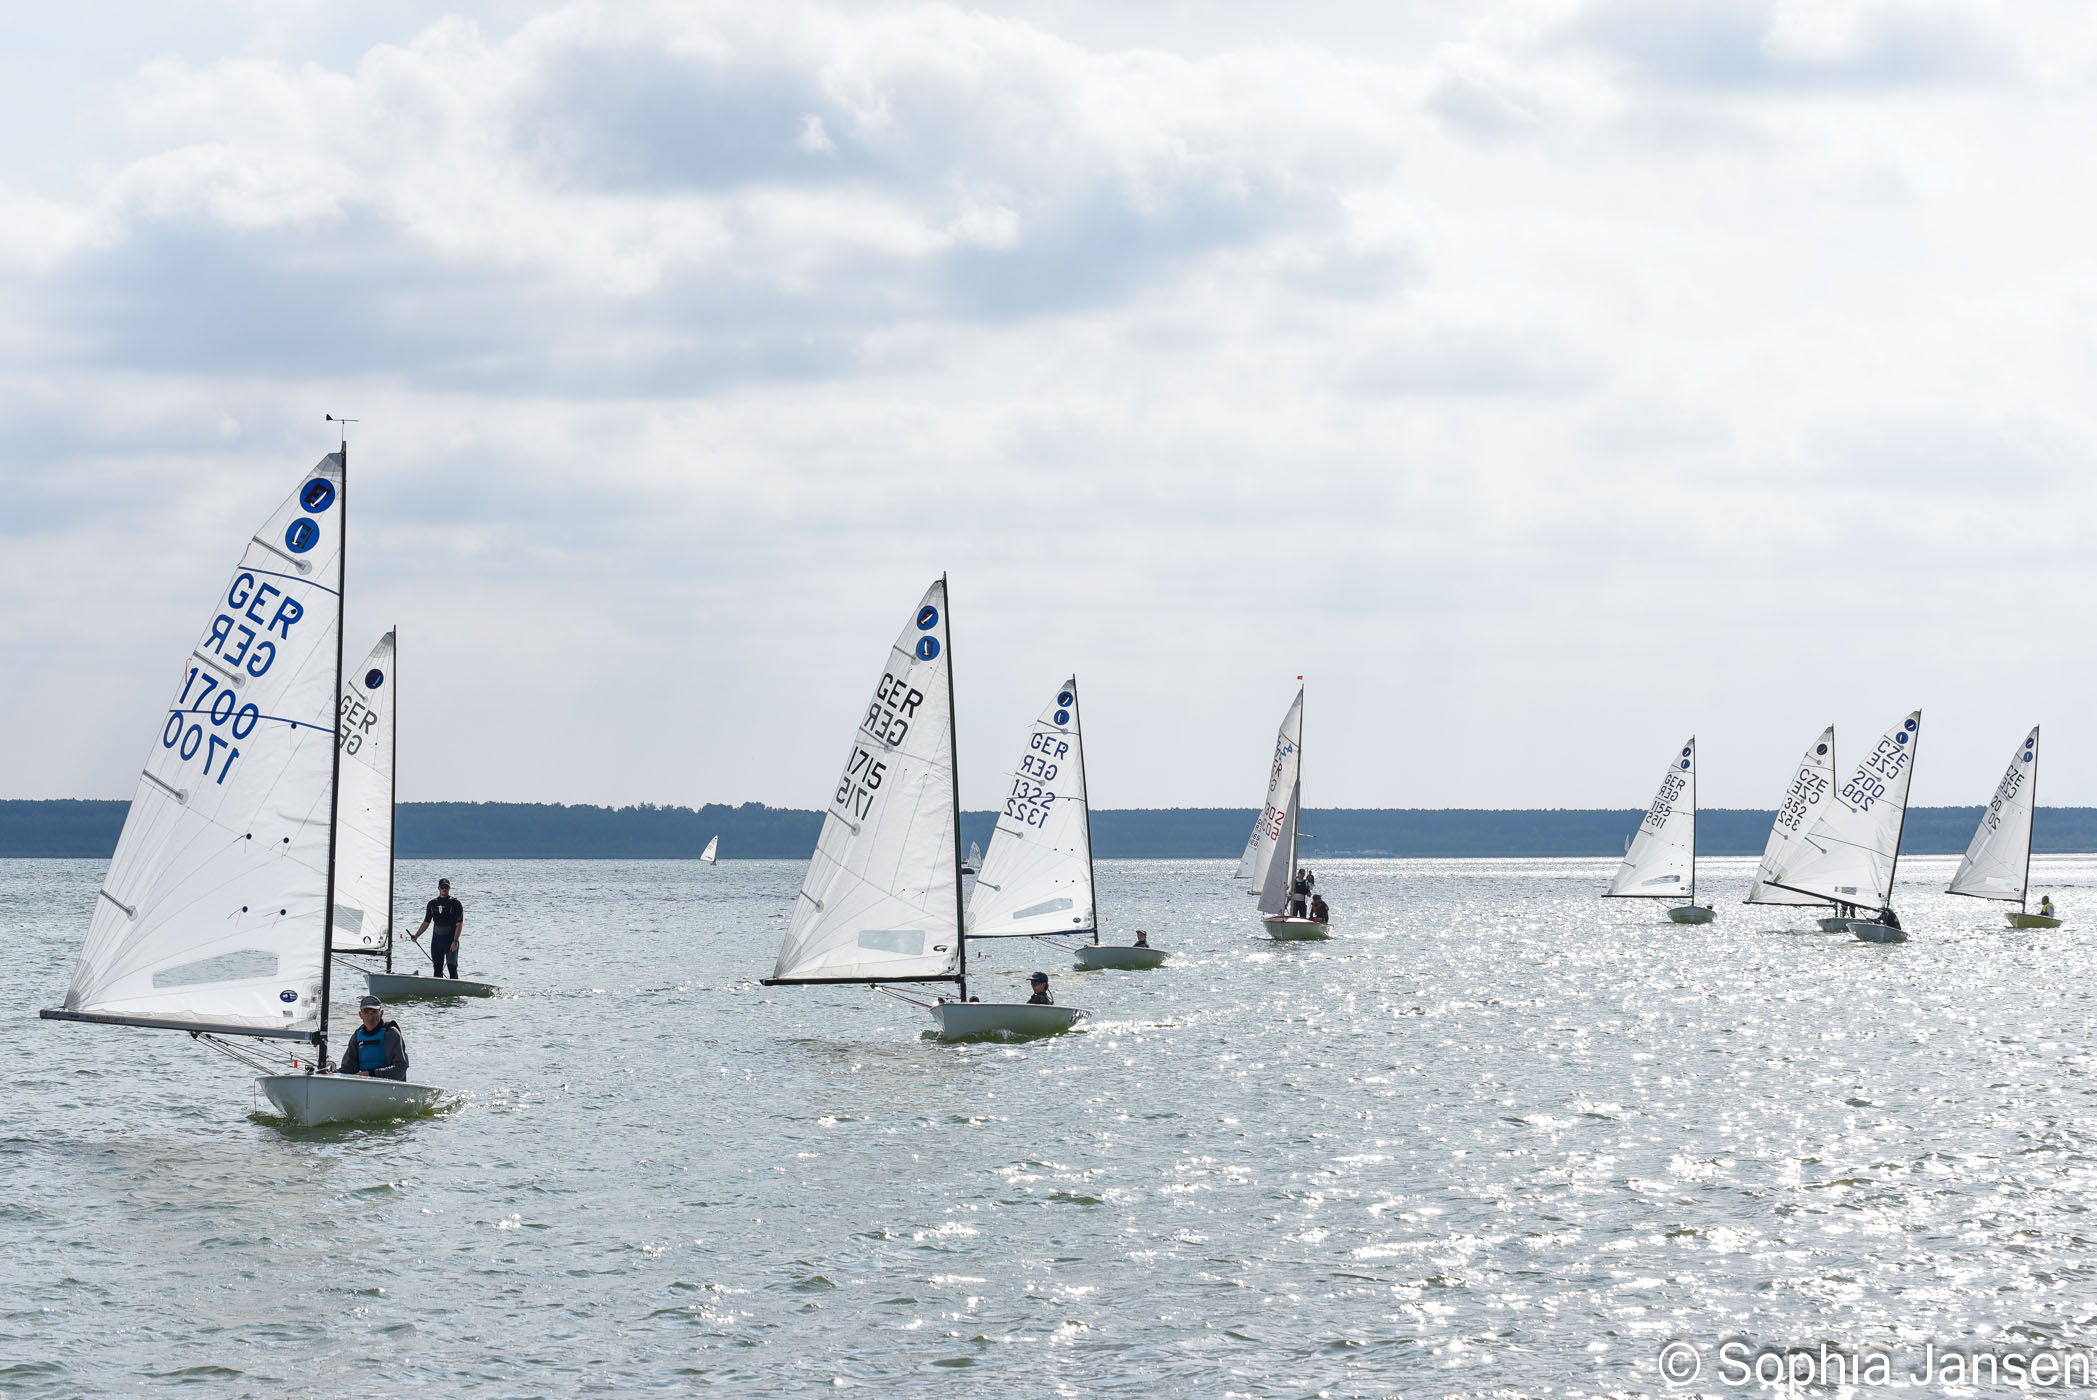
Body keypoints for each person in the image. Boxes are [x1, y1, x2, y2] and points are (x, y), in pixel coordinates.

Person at [335, 996, 408, 1080]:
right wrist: (335, 1073)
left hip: (390, 1084)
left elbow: (400, 1069)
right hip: (366, 1083)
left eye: (374, 1012)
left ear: (381, 1013)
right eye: (366, 1012)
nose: (370, 1017)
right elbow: (349, 1068)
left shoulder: (391, 1034)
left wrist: (372, 1074)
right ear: (360, 1015)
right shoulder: (357, 1036)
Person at [412, 878, 465, 978]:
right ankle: (438, 987)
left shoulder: (455, 903)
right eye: (442, 887)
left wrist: (455, 941)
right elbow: (426, 922)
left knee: (452, 968)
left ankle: (454, 987)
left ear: (449, 888)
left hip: (450, 940)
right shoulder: (432, 903)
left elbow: (459, 924)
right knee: (437, 968)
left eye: (446, 887)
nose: (444, 889)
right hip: (437, 940)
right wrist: (416, 936)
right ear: (438, 888)